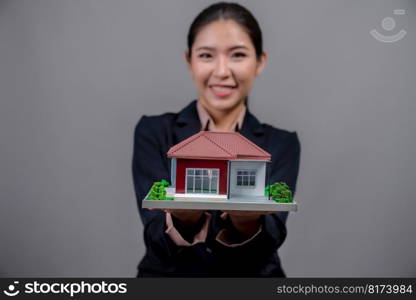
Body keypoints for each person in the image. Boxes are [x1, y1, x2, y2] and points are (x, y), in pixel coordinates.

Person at [132, 2, 301, 277]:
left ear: (260, 61)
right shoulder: (154, 132)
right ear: (190, 61)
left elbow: (271, 239)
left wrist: (247, 223)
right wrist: (181, 219)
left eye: (237, 55)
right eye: (207, 55)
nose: (222, 71)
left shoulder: (281, 143)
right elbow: (155, 237)